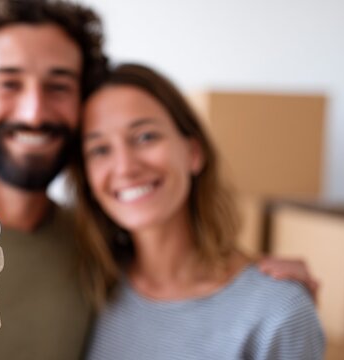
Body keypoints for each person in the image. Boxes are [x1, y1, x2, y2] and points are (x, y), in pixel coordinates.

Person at [0, 1, 318, 359]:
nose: (35, 109)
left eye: (58, 85)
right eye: (9, 83)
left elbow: (185, 281)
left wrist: (260, 281)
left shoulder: (95, 248)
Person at [68, 63, 325, 359]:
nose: (125, 167)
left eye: (145, 137)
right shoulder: (90, 289)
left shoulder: (278, 312)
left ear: (193, 152)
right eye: (100, 150)